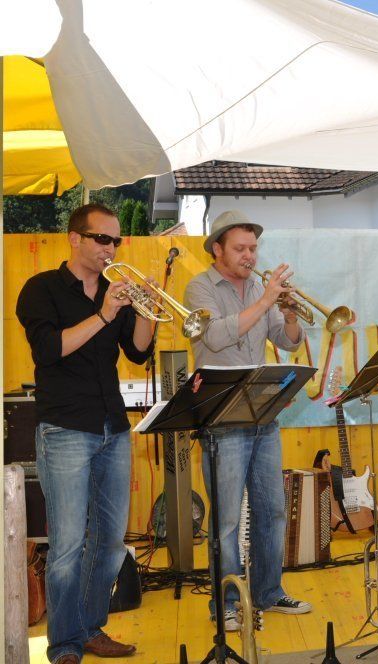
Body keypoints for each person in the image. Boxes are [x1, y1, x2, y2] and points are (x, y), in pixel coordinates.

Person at [16, 203, 155, 663]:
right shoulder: (42, 289)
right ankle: (64, 644)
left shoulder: (115, 292)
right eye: (102, 239)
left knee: (111, 542)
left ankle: (91, 628)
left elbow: (137, 352)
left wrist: (148, 309)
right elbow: (48, 350)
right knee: (67, 546)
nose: (111, 247)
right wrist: (104, 313)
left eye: (116, 241)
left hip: (112, 426)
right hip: (64, 428)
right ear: (75, 238)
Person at [184, 210, 312, 631]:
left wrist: (289, 315)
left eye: (253, 248)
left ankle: (268, 592)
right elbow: (216, 336)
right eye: (240, 249)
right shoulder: (200, 287)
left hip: (262, 414)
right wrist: (266, 300)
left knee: (272, 511)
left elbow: (287, 343)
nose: (249, 256)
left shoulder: (259, 287)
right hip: (221, 417)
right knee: (226, 521)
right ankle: (225, 603)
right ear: (217, 250)